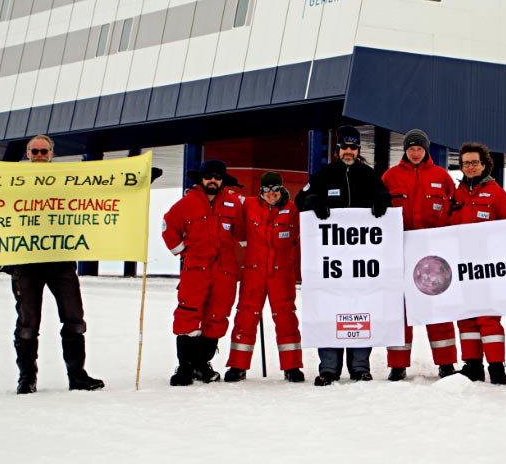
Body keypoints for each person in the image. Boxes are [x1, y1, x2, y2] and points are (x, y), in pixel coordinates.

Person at [296, 124, 392, 386]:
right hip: (331, 263)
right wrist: (312, 199)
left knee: (361, 309)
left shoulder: (368, 175)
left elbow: (385, 198)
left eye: (353, 147)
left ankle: (360, 367)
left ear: (358, 149)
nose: (348, 151)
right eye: (344, 147)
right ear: (337, 150)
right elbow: (299, 199)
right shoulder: (324, 174)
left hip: (362, 261)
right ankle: (328, 368)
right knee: (330, 310)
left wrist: (383, 199)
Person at [9, 134, 105, 394]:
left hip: (60, 260)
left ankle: (77, 375)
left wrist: (136, 181)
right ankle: (26, 378)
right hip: (26, 261)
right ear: (28, 154)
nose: (39, 156)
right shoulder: (11, 182)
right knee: (27, 324)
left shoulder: (67, 181)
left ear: (51, 154)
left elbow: (101, 191)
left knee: (74, 318)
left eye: (44, 151)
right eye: (35, 151)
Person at [382, 129, 459, 381]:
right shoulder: (390, 177)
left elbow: (454, 211)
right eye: (411, 148)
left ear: (426, 150)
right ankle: (398, 364)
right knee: (400, 310)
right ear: (405, 150)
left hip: (433, 254)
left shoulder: (442, 177)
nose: (415, 153)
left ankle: (446, 363)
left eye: (419, 149)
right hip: (400, 252)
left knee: (438, 308)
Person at [162, 159, 246, 386]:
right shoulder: (186, 204)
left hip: (224, 272)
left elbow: (244, 234)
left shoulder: (234, 203)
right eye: (209, 176)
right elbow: (168, 229)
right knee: (187, 315)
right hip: (195, 270)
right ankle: (185, 366)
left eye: (217, 177)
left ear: (222, 180)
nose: (213, 180)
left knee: (217, 317)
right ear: (201, 178)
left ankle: (202, 364)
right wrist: (182, 252)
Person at [225, 171, 305, 383]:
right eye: (267, 190)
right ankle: (237, 365)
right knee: (245, 317)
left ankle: (292, 366)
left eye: (275, 189)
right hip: (254, 272)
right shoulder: (248, 206)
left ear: (281, 189)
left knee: (286, 317)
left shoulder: (292, 209)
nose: (271, 194)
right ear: (261, 191)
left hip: (281, 273)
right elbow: (226, 200)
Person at [448, 142, 506, 384]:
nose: (470, 167)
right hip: (461, 267)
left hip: (489, 269)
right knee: (465, 316)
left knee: (488, 318)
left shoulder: (496, 193)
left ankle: (497, 367)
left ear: (484, 164)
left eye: (474, 162)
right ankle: (473, 366)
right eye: (466, 163)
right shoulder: (455, 194)